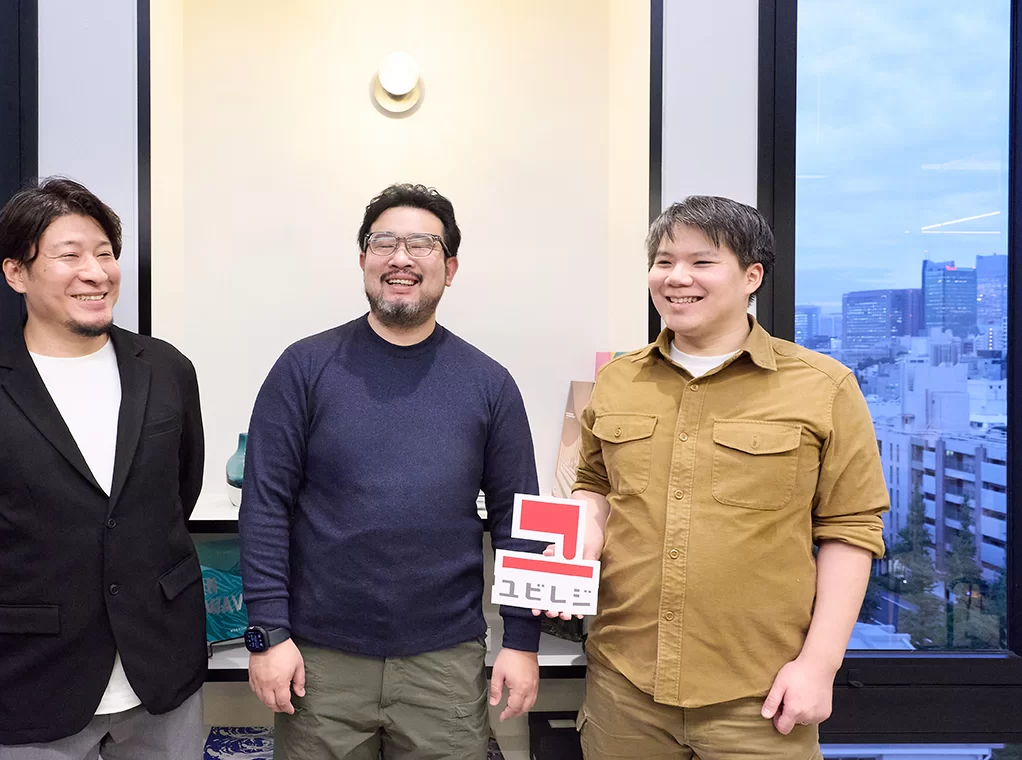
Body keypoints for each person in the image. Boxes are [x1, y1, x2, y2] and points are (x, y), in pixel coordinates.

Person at [562, 195, 888, 758]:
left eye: (701, 261)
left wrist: (819, 664)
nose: (676, 277)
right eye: (664, 261)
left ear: (751, 277)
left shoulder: (823, 386)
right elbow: (595, 484)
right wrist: (583, 537)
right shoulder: (617, 381)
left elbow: (851, 529)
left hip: (761, 697)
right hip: (624, 686)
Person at [239, 183, 545, 759]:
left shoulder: (489, 383)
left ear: (449, 268)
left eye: (422, 244)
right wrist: (268, 634)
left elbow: (518, 519)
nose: (401, 258)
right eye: (384, 243)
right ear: (363, 260)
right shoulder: (304, 368)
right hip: (319, 661)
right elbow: (264, 507)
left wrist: (523, 641)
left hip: (444, 662)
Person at [0, 177, 208, 759]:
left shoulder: (167, 370)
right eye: (70, 256)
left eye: (105, 254)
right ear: (16, 272)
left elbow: (181, 487)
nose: (96, 273)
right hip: (37, 674)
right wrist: (25, 599)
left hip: (163, 665)